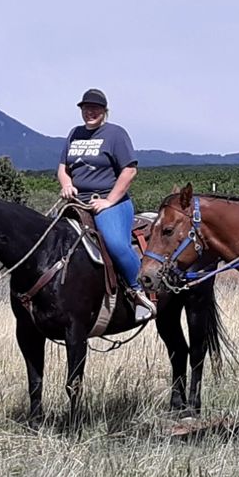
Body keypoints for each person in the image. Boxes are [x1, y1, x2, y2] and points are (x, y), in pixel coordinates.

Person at [57, 88, 159, 323]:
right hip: (76, 202)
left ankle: (140, 292)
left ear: (105, 111)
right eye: (85, 108)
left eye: (95, 108)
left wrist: (109, 200)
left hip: (109, 203)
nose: (90, 112)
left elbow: (129, 170)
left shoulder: (115, 134)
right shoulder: (75, 134)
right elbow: (63, 167)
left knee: (115, 244)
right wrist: (66, 184)